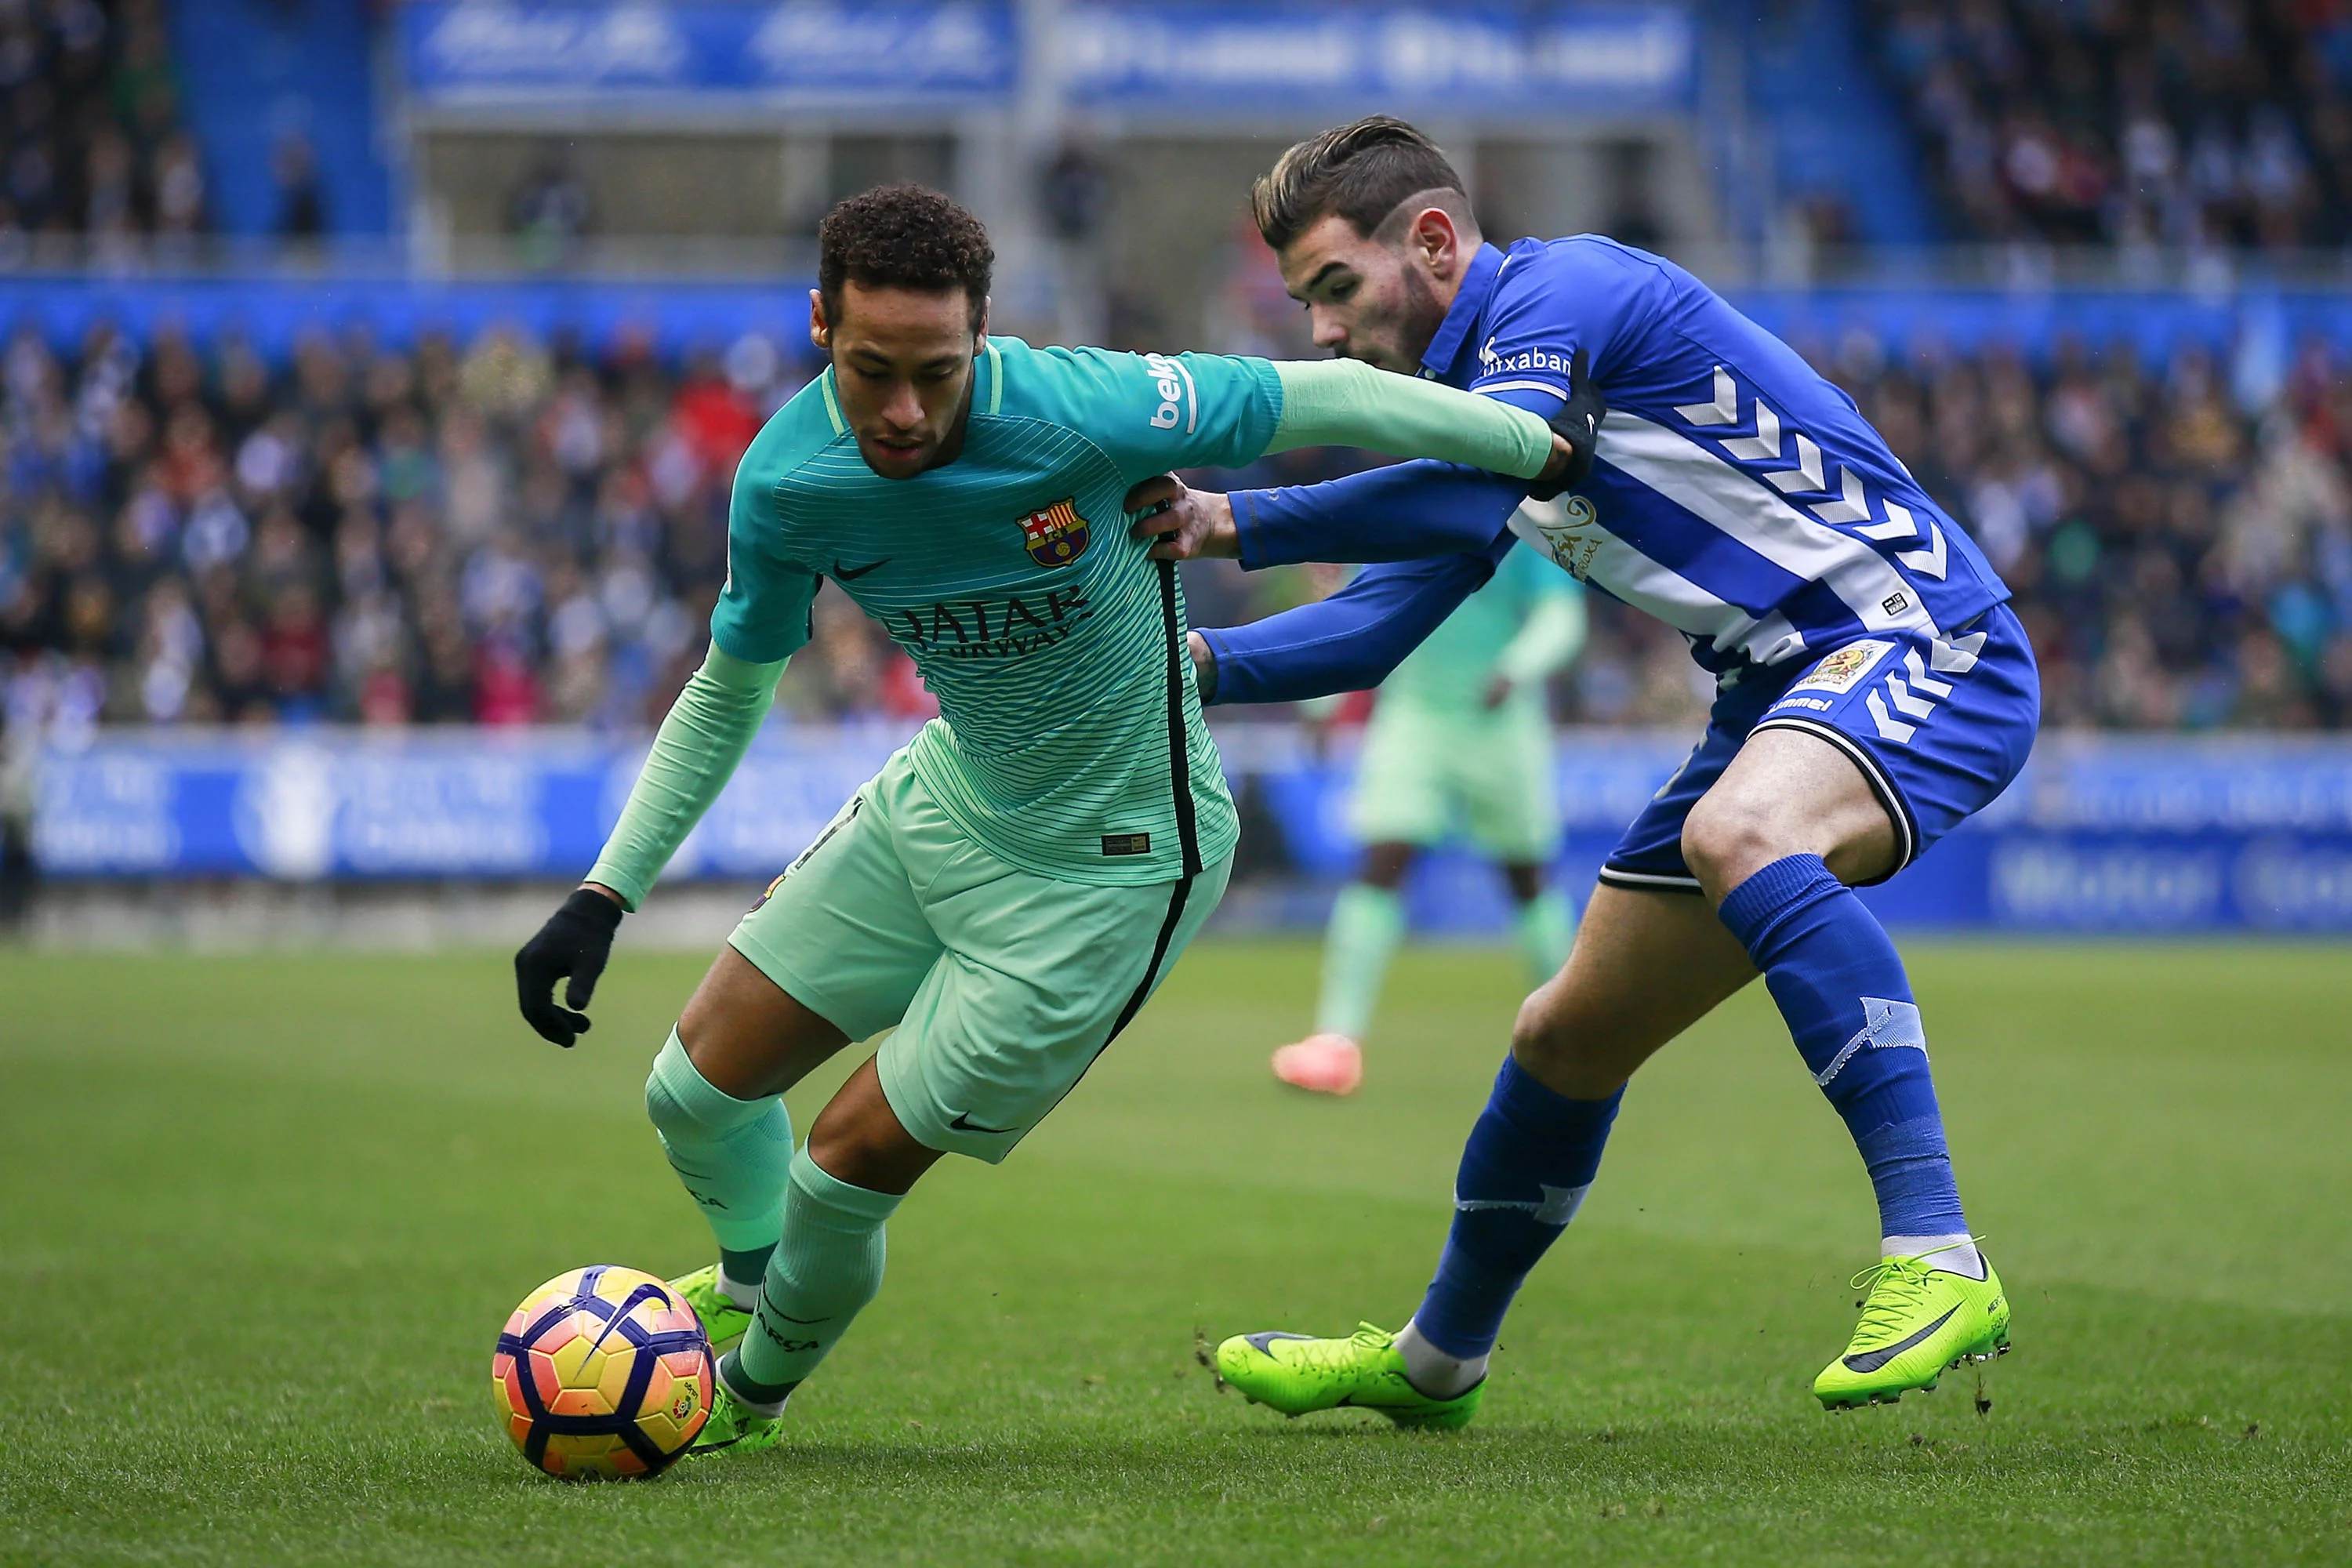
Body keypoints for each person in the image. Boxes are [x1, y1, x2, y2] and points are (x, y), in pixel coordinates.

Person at [510, 183, 1596, 1456]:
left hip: (1114, 866)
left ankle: (742, 1395)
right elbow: (730, 686)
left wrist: (1538, 451)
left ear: (985, 337)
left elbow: (1336, 398)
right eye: (873, 373)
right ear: (819, 328)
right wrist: (605, 892)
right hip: (954, 801)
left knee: (836, 1171)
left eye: (939, 372)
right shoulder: (789, 483)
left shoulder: (1085, 406)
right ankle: (751, 1292)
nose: (908, 410)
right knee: (690, 1094)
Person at [1137, 118, 2035, 1425]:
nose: (1324, 332)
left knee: (1743, 835)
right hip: (1776, 696)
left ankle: (1940, 1254)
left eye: (1335, 289)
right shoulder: (1483, 423)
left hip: (1919, 638)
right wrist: (1186, 670)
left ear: (1434, 243)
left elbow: (1453, 498)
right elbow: (1375, 625)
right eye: (1307, 304)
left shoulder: (1566, 298)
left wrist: (1237, 517)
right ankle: (1439, 1362)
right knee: (1564, 1035)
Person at [1273, 536, 1584, 1096]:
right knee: (1382, 859)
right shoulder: (1400, 525)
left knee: (1526, 877)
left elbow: (1562, 616)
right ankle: (1336, 1041)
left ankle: (1577, 1031)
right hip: (1413, 713)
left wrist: (1516, 667)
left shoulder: (1520, 529)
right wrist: (1320, 703)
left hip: (1501, 719)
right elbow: (1353, 612)